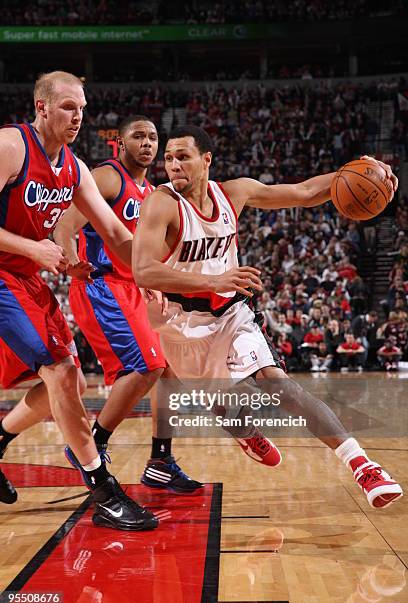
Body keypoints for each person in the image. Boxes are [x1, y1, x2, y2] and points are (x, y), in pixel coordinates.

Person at [133, 125, 403, 509]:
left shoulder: (235, 192)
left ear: (206, 160)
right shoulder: (161, 203)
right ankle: (245, 432)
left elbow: (306, 191)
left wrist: (363, 168)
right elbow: (142, 270)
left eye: (183, 156)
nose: (174, 164)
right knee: (225, 408)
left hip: (231, 314)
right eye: (170, 158)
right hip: (180, 326)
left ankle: (362, 465)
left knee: (277, 382)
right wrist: (214, 279)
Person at [0, 71, 158, 531]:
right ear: (42, 106)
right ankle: (103, 490)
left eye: (83, 108)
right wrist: (33, 248)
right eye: (69, 106)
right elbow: (33, 242)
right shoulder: (11, 146)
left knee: (67, 389)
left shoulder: (74, 167)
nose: (78, 117)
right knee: (62, 372)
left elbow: (114, 232)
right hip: (5, 275)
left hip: (25, 279)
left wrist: (149, 274)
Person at [53, 115, 202, 493]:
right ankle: (93, 443)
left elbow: (142, 255)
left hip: (133, 287)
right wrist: (71, 263)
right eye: (139, 136)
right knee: (147, 365)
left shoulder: (151, 191)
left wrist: (155, 285)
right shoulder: (107, 176)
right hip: (100, 283)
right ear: (120, 143)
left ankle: (160, 461)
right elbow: (65, 225)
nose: (148, 143)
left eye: (153, 137)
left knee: (169, 371)